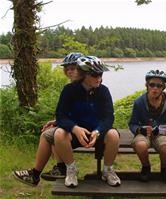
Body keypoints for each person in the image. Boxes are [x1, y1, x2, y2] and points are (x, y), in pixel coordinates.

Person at [13, 56, 121, 188]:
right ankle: (71, 170)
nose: (99, 77)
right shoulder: (69, 90)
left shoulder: (103, 91)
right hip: (75, 134)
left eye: (101, 73)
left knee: (113, 135)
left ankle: (108, 171)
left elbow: (109, 117)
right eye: (95, 74)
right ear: (84, 74)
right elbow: (61, 115)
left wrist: (98, 131)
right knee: (58, 134)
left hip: (97, 134)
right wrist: (75, 128)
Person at [40, 52, 84, 181]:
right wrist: (56, 121)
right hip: (73, 126)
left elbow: (85, 114)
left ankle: (61, 168)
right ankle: (60, 168)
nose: (70, 72)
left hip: (83, 129)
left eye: (73, 68)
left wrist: (61, 122)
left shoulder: (83, 87)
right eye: (67, 69)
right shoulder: (70, 88)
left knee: (53, 134)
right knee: (50, 131)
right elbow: (69, 112)